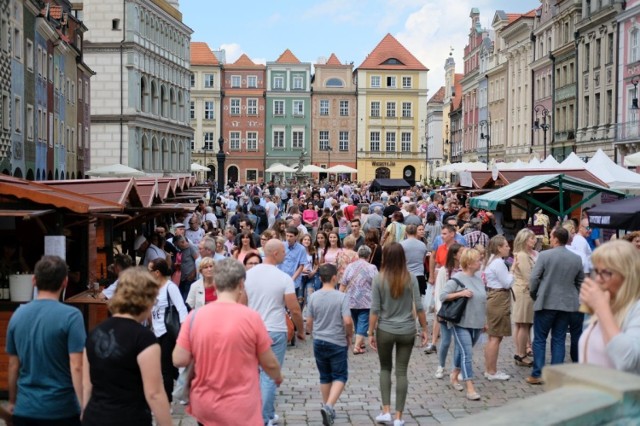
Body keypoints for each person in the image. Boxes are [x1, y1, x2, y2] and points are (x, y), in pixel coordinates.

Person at [173, 258, 283, 425]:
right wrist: (277, 376)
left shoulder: (194, 317)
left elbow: (178, 359)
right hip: (240, 404)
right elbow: (269, 363)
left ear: (215, 284)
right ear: (241, 284)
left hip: (205, 402)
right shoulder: (251, 318)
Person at [82, 268, 172, 426]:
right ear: (146, 299)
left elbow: (87, 385)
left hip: (94, 417)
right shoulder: (143, 338)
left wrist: (84, 414)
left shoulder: (94, 333)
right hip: (129, 418)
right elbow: (155, 393)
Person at [6, 255, 86, 425]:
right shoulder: (72, 316)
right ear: (65, 282)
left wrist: (13, 402)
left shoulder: (17, 315)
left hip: (26, 409)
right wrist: (83, 405)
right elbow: (77, 366)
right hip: (62, 410)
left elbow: (13, 365)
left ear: (34, 280)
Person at [242, 239, 305, 426]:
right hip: (275, 329)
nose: (285, 255)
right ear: (275, 253)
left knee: (253, 374)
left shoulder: (247, 276)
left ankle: (264, 413)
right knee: (269, 375)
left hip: (251, 328)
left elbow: (241, 303)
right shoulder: (283, 277)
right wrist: (301, 330)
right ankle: (264, 417)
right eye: (283, 252)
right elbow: (294, 309)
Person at [369, 243, 428, 426]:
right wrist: (425, 328)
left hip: (385, 329)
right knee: (402, 372)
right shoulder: (410, 278)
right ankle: (399, 417)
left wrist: (370, 332)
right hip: (407, 330)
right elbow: (419, 306)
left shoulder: (379, 278)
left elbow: (375, 309)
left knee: (385, 369)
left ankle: (386, 410)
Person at [527, 227, 584, 385]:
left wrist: (535, 294)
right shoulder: (576, 258)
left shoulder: (545, 255)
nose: (550, 239)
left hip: (546, 301)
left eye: (551, 237)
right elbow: (580, 282)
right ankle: (556, 375)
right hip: (567, 303)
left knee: (539, 339)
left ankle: (538, 373)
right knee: (558, 339)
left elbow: (534, 279)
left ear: (556, 239)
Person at [579, 240, 640, 374]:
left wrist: (601, 308)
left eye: (606, 273)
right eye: (596, 271)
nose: (599, 279)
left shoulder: (636, 309)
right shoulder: (609, 304)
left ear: (627, 275)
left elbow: (628, 361)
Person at [306, 264, 354, 426]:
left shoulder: (313, 297)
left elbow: (309, 322)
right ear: (335, 278)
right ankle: (328, 406)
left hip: (319, 340)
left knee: (325, 375)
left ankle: (328, 409)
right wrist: (349, 334)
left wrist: (311, 332)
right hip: (336, 340)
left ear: (320, 278)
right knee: (340, 376)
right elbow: (347, 321)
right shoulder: (341, 297)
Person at [440, 248, 486, 401]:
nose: (480, 262)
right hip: (461, 322)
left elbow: (482, 301)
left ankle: (454, 374)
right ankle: (470, 387)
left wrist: (484, 320)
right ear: (470, 263)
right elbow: (442, 296)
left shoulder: (479, 278)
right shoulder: (457, 278)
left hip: (477, 322)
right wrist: (460, 293)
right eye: (478, 260)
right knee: (467, 353)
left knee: (462, 350)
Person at [147, 258, 189, 403]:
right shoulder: (152, 287)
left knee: (165, 368)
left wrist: (183, 332)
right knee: (170, 368)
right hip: (156, 331)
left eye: (150, 270)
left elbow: (182, 309)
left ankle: (167, 402)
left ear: (157, 273)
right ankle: (187, 386)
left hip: (167, 331)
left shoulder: (170, 287)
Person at [482, 235, 514, 381]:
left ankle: (489, 369)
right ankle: (492, 371)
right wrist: (513, 269)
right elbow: (507, 283)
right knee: (495, 337)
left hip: (493, 296)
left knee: (493, 336)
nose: (508, 248)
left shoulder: (491, 261)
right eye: (506, 245)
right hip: (499, 297)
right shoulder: (499, 263)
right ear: (499, 248)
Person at [433, 243, 464, 379]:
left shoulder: (464, 270)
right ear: (454, 255)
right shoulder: (444, 271)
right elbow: (439, 292)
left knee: (459, 342)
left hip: (461, 310)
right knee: (445, 341)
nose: (464, 255)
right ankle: (441, 365)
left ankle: (456, 369)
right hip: (446, 310)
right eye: (461, 252)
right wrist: (439, 311)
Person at [340, 245, 378, 355]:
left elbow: (343, 283)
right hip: (366, 300)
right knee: (363, 322)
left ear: (358, 254)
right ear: (369, 255)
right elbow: (376, 284)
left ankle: (360, 342)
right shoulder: (372, 267)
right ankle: (357, 346)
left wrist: (340, 296)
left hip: (351, 298)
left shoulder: (350, 266)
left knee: (356, 321)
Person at [512, 228, 538, 367]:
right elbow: (529, 277)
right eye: (531, 238)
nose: (534, 240)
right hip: (524, 292)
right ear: (524, 240)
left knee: (524, 324)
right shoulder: (522, 255)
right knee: (524, 324)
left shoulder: (524, 254)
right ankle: (521, 354)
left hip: (524, 291)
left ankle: (521, 352)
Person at [399, 224, 428, 311]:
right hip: (419, 274)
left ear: (406, 232)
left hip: (405, 274)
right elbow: (423, 261)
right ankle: (416, 318)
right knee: (417, 299)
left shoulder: (401, 245)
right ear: (416, 232)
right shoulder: (422, 245)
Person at [173, 235, 200, 301]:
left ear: (182, 242)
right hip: (183, 278)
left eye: (177, 245)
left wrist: (193, 274)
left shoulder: (191, 248)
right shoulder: (182, 250)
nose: (177, 247)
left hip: (190, 278)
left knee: (186, 299)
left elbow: (198, 262)